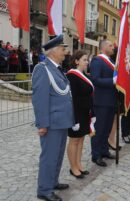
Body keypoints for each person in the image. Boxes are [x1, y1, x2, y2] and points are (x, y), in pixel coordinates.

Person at [32, 35, 74, 201]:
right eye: (63, 49)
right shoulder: (42, 69)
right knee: (49, 156)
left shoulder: (56, 69)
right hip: (51, 123)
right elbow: (39, 99)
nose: (65, 52)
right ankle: (44, 189)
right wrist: (42, 124)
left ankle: (53, 181)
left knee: (57, 155)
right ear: (54, 51)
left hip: (62, 121)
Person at [66, 50, 94, 179]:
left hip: (85, 113)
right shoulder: (72, 76)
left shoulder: (85, 75)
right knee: (74, 140)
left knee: (81, 139)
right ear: (76, 61)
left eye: (87, 60)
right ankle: (73, 167)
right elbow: (72, 99)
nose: (87, 62)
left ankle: (78, 164)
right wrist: (74, 119)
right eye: (84, 59)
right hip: (76, 114)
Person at [90, 40, 116, 167]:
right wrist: (112, 81)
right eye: (111, 45)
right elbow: (95, 79)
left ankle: (104, 150)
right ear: (104, 47)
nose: (113, 47)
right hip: (101, 101)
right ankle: (96, 155)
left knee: (107, 128)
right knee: (99, 129)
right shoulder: (97, 61)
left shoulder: (111, 62)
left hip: (111, 100)